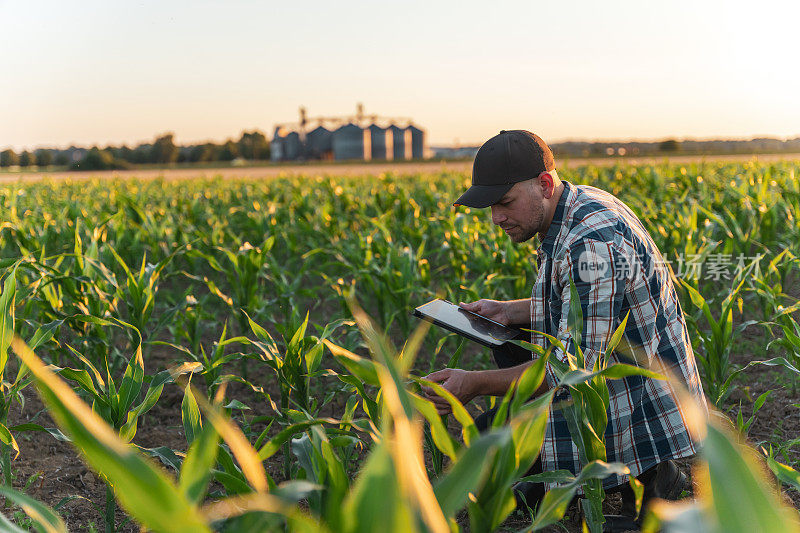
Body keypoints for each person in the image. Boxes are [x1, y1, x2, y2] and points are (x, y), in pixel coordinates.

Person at [422, 130, 707, 522]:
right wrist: (507, 311)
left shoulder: (593, 244)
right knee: (509, 355)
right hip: (621, 367)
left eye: (504, 203)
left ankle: (648, 473)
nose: (496, 218)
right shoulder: (571, 204)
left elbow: (573, 370)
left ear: (543, 184)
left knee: (492, 443)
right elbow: (582, 303)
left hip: (643, 401)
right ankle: (596, 470)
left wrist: (474, 382)